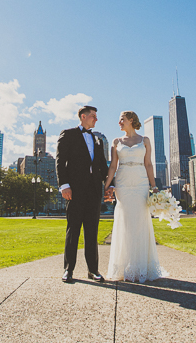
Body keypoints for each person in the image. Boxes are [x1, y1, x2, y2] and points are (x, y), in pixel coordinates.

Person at [103, 111, 167, 282]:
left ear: (131, 120)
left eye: (121, 119)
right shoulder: (116, 142)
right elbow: (113, 167)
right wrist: (107, 185)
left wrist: (154, 186)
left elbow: (148, 164)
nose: (119, 123)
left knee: (140, 221)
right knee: (124, 220)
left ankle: (141, 267)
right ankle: (123, 267)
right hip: (123, 183)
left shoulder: (145, 140)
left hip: (140, 183)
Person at [56, 105, 110, 284]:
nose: (96, 119)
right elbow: (60, 161)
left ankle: (93, 270)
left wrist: (109, 185)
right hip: (74, 191)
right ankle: (68, 269)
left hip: (94, 192)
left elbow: (102, 166)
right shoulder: (68, 134)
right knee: (73, 231)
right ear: (83, 117)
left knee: (92, 232)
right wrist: (64, 185)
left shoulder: (98, 140)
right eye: (93, 116)